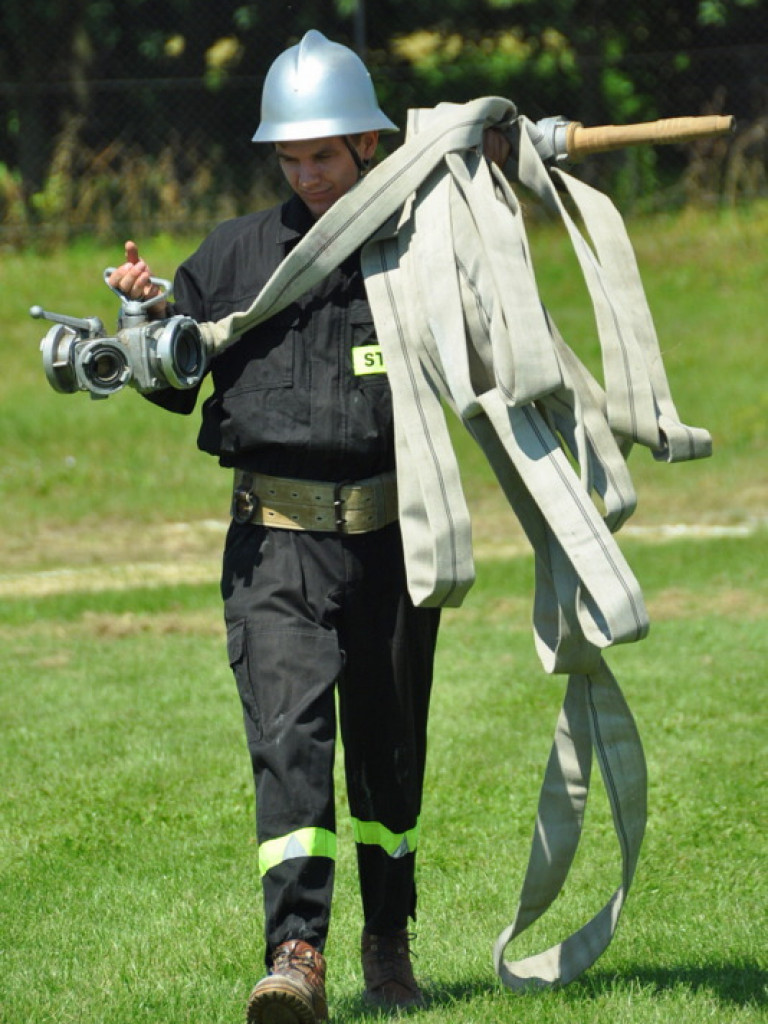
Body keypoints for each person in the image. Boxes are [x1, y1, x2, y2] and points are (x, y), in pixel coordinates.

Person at [109, 30, 508, 1024]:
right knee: (290, 743)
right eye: (289, 157)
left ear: (369, 145)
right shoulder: (235, 255)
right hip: (274, 549)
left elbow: (488, 335)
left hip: (392, 540)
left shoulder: (416, 245)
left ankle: (389, 938)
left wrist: (500, 176)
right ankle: (295, 955)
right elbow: (174, 376)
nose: (307, 174)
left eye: (323, 154)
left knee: (388, 754)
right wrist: (149, 315)